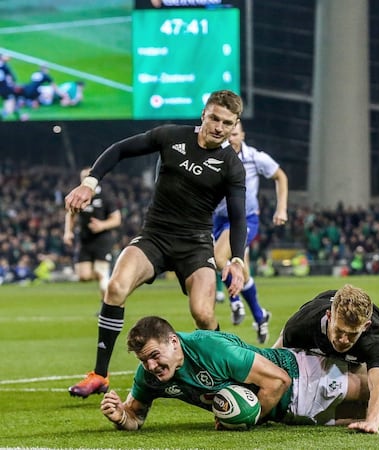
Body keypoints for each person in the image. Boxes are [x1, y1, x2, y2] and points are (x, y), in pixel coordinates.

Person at [64, 89, 248, 398]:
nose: (219, 127)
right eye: (214, 118)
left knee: (203, 313)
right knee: (115, 287)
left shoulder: (231, 166)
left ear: (234, 125)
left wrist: (238, 259)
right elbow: (119, 149)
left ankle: (220, 379)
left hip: (195, 244)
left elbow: (238, 218)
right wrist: (89, 183)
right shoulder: (171, 136)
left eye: (227, 123)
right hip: (155, 236)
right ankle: (99, 375)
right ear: (203, 114)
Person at [99, 316, 379, 431]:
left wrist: (248, 419)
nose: (150, 366)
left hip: (300, 377)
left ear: (174, 342)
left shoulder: (212, 349)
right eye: (143, 360)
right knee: (370, 418)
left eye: (154, 356)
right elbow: (135, 415)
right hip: (284, 413)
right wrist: (122, 416)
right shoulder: (149, 374)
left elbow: (278, 380)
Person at [272, 284, 379, 434]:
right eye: (339, 331)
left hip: (356, 360)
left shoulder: (376, 337)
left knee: (378, 379)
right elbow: (274, 357)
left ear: (365, 326)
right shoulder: (302, 324)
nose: (343, 340)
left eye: (352, 334)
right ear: (329, 316)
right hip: (314, 342)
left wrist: (372, 422)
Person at [212, 122, 288, 344]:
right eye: (229, 134)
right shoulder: (218, 155)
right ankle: (260, 315)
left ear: (242, 134)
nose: (231, 138)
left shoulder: (255, 158)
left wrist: (281, 207)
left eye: (235, 134)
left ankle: (234, 300)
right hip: (218, 218)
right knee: (241, 270)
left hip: (244, 219)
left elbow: (280, 176)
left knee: (219, 257)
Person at [63, 168, 122, 312]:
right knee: (83, 276)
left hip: (102, 240)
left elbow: (116, 219)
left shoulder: (106, 196)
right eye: (83, 177)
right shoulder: (78, 195)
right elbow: (70, 214)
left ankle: (105, 306)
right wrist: (68, 232)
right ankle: (106, 276)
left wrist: (102, 225)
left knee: (101, 273)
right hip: (85, 240)